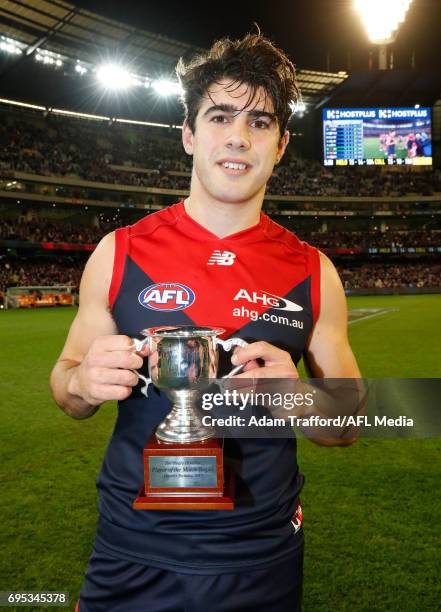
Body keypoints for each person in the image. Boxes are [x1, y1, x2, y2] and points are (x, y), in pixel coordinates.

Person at [50, 32, 362, 612]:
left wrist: (296, 398)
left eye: (260, 122)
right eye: (220, 116)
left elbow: (348, 422)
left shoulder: (313, 270)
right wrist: (80, 381)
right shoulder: (119, 253)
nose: (239, 137)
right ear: (190, 136)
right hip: (131, 550)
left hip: (259, 558)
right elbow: (66, 388)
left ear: (282, 143)